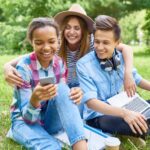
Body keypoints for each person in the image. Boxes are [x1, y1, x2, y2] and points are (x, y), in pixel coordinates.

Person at [4, 4, 136, 98]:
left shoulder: (92, 42)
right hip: (63, 88)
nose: (71, 32)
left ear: (83, 30)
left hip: (84, 87)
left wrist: (128, 73)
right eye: (67, 27)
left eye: (76, 28)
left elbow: (126, 48)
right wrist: (7, 65)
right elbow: (32, 55)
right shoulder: (58, 43)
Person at [7, 17, 88, 150]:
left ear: (58, 41)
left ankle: (81, 147)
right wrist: (35, 99)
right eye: (39, 42)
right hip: (25, 122)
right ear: (31, 43)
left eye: (51, 41)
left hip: (47, 119)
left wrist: (74, 95)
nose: (46, 48)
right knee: (51, 146)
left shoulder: (59, 63)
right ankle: (20, 134)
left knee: (64, 89)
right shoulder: (24, 68)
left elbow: (61, 98)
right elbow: (28, 119)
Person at [76, 15, 150, 146]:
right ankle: (134, 131)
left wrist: (128, 74)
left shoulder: (121, 57)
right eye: (97, 42)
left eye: (105, 43)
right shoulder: (83, 65)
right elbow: (91, 103)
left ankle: (136, 130)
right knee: (129, 123)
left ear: (117, 42)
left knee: (138, 118)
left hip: (123, 106)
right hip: (99, 116)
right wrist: (126, 114)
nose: (99, 47)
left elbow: (137, 80)